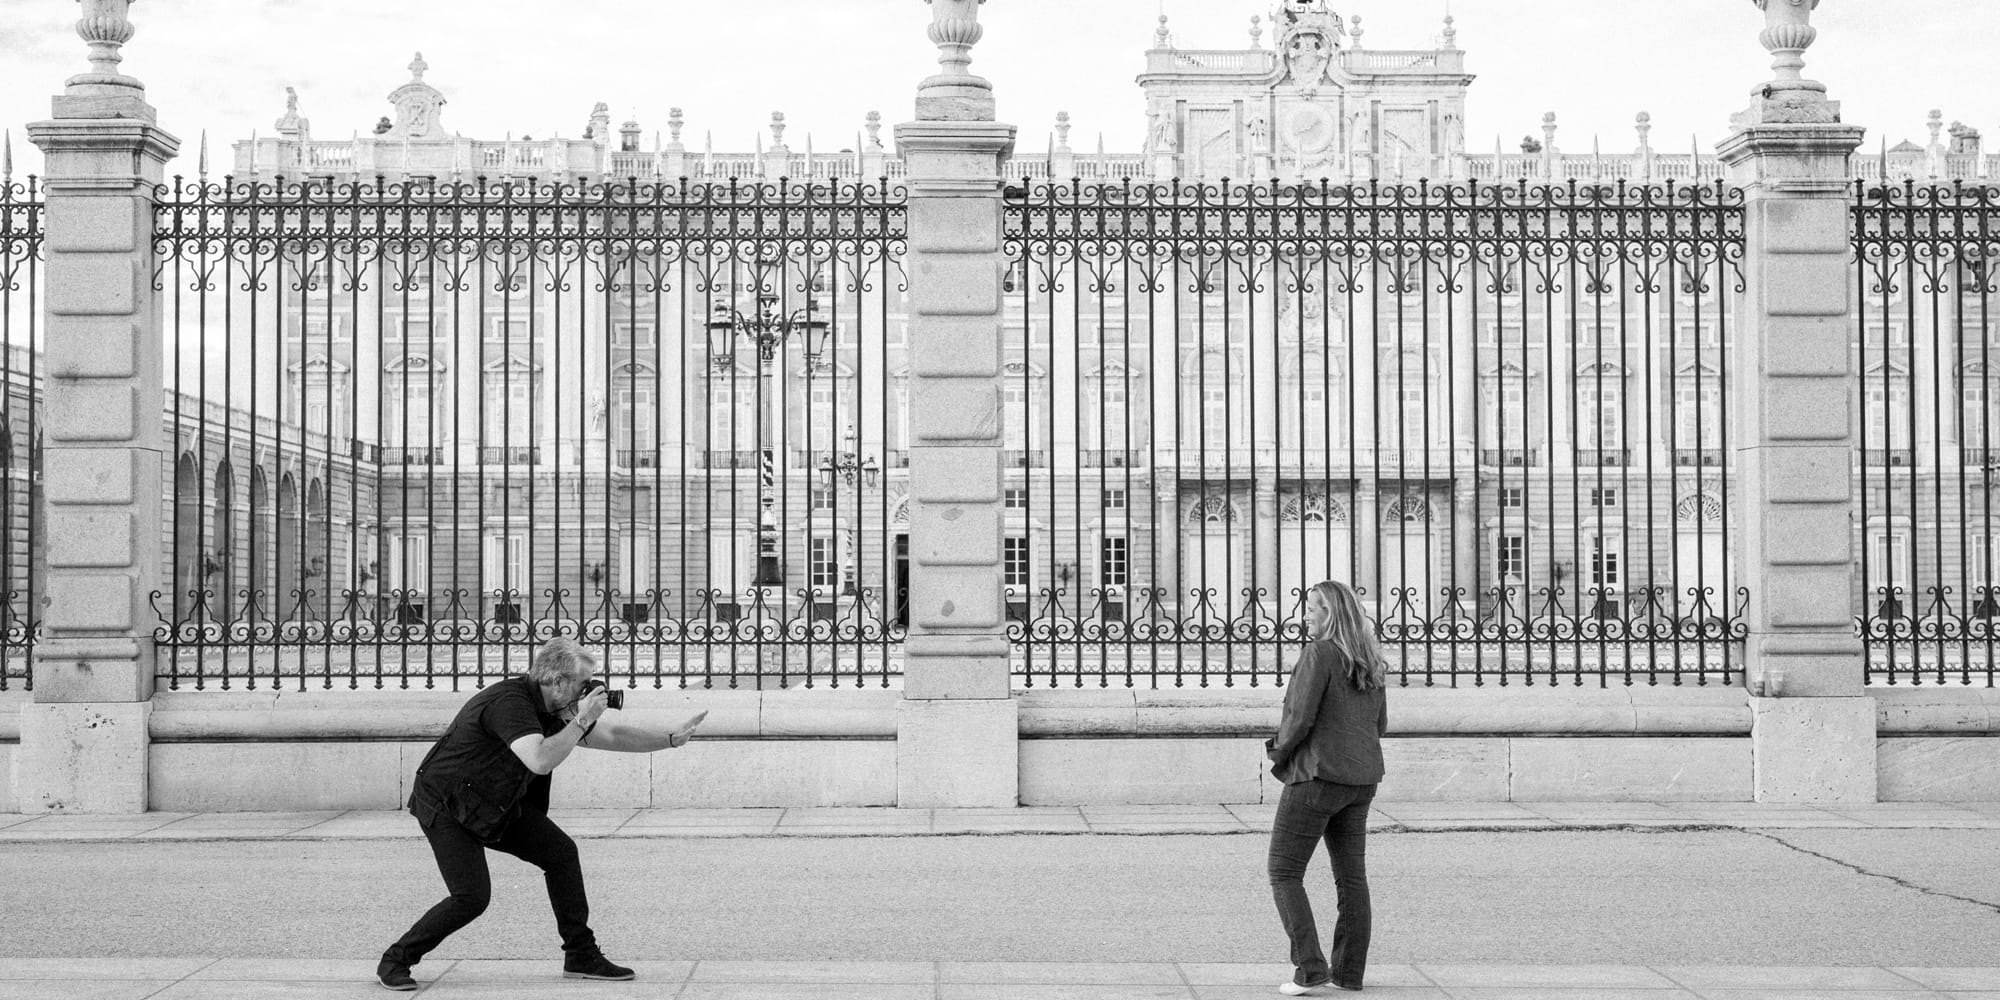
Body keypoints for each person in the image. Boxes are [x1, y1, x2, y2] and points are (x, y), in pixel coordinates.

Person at [377, 638, 708, 991]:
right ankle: (395, 960)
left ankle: (581, 955)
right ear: (557, 681)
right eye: (584, 684)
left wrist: (669, 739)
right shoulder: (510, 703)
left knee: (561, 854)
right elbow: (539, 758)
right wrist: (581, 719)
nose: (589, 690)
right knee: (472, 896)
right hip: (447, 804)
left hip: (495, 803)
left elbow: (611, 734)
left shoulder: (557, 710)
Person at [1265, 581, 1389, 995]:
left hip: (1318, 776)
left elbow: (1299, 718)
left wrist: (1278, 752)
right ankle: (1349, 974)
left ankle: (1310, 968)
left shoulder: (1318, 654)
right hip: (1362, 779)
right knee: (1351, 878)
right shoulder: (1370, 659)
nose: (1305, 615)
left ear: (1330, 614)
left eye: (1312, 609)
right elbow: (1380, 725)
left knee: (1283, 871)